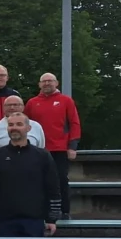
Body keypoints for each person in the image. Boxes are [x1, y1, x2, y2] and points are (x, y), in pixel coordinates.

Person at [25, 73, 81, 220]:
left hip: (60, 149)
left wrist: (72, 146)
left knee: (61, 179)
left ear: (56, 83)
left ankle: (64, 211)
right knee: (38, 180)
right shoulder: (32, 103)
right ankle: (41, 210)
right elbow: (25, 124)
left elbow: (74, 123)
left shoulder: (66, 101)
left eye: (50, 81)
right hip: (39, 149)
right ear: (39, 84)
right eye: (43, 81)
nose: (47, 84)